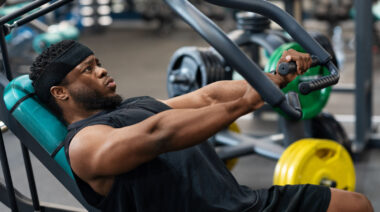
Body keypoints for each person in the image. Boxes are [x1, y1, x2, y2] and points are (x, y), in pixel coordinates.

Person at [29, 40, 373, 212]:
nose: (102, 70)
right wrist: (247, 102)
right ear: (60, 93)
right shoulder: (85, 145)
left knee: (355, 205)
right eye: (88, 70)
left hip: (243, 203)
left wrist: (274, 79)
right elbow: (159, 135)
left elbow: (207, 98)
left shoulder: (131, 107)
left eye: (98, 63)